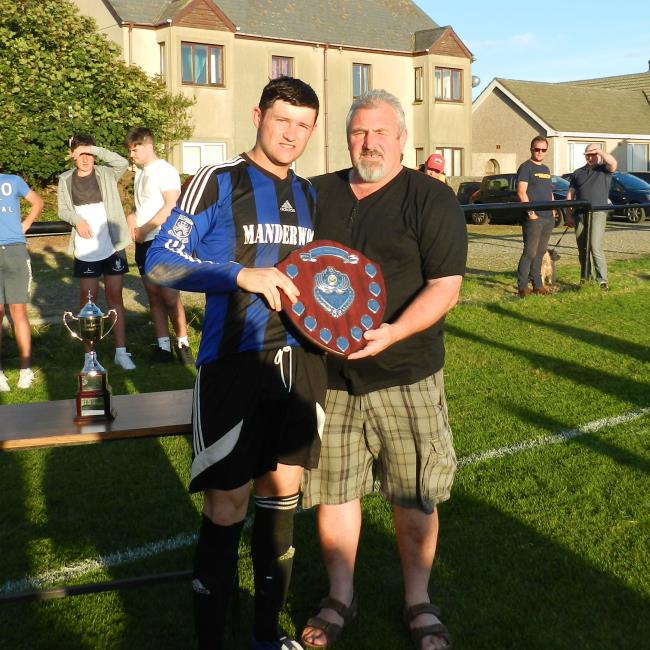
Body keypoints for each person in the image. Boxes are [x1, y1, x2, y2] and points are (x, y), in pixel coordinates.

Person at [145, 77, 325, 650]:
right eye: (281, 121)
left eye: (302, 125)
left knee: (281, 501)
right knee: (228, 506)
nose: (291, 134)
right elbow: (160, 263)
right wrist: (239, 274)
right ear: (257, 116)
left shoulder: (312, 195)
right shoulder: (217, 181)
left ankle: (266, 638)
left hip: (300, 368)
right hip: (232, 367)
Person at [300, 90, 467, 650]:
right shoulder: (316, 193)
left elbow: (445, 285)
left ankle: (419, 600)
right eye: (357, 133)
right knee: (334, 492)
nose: (368, 143)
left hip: (407, 372)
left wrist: (393, 332)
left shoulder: (429, 198)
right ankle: (339, 596)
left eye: (380, 133)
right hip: (333, 379)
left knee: (414, 493)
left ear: (402, 139)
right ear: (346, 137)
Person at [57, 134, 135, 370]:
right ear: (73, 156)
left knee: (115, 298)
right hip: (86, 249)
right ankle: (90, 357)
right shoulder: (65, 179)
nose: (86, 159)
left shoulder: (106, 172)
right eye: (80, 153)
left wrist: (95, 149)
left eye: (89, 153)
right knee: (87, 303)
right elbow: (63, 210)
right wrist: (76, 220)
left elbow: (122, 161)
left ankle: (121, 352)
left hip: (112, 245)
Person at [124, 127, 194, 364]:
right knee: (153, 296)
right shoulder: (141, 173)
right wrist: (132, 218)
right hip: (143, 242)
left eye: (135, 150)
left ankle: (183, 344)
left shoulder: (165, 171)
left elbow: (171, 206)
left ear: (148, 145)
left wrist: (146, 228)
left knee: (170, 296)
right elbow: (142, 206)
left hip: (162, 242)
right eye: (130, 151)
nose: (131, 155)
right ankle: (163, 347)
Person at [0, 172, 43, 391]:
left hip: (15, 250)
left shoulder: (12, 181)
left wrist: (24, 224)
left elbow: (37, 202)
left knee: (18, 311)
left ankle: (25, 369)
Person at [565, 143, 617, 290]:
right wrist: (569, 215)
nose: (590, 157)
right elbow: (570, 194)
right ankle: (585, 278)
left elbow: (613, 163)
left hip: (598, 213)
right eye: (588, 154)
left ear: (598, 155)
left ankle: (602, 280)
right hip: (579, 215)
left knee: (595, 247)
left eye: (593, 154)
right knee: (582, 249)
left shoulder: (604, 170)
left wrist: (599, 151)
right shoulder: (577, 173)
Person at [515, 136, 555, 297]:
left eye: (543, 150)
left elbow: (549, 192)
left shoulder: (546, 169)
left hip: (548, 218)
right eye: (536, 149)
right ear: (531, 149)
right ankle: (522, 287)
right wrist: (531, 213)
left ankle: (538, 284)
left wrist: (553, 211)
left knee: (540, 252)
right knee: (530, 252)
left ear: (546, 151)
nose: (539, 152)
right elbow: (521, 192)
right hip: (533, 218)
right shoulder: (526, 167)